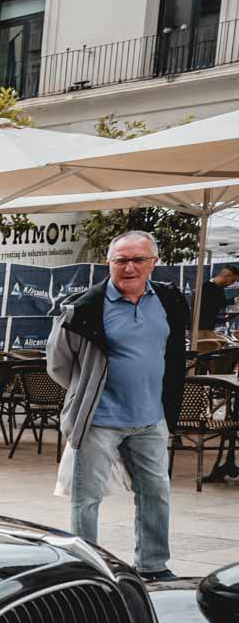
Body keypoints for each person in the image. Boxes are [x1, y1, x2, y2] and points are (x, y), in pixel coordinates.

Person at [48, 230, 189, 583]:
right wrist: (88, 392)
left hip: (150, 418)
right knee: (86, 498)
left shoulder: (169, 301)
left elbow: (171, 354)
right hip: (99, 419)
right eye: (120, 260)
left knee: (156, 494)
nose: (129, 267)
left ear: (153, 263)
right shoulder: (84, 308)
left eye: (138, 259)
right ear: (108, 263)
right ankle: (88, 567)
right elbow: (58, 364)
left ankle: (153, 564)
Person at [197, 264, 237, 336]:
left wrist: (234, 301)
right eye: (233, 280)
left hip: (209, 328)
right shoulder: (207, 288)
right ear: (226, 275)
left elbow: (220, 303)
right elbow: (207, 310)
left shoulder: (219, 288)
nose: (232, 283)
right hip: (201, 329)